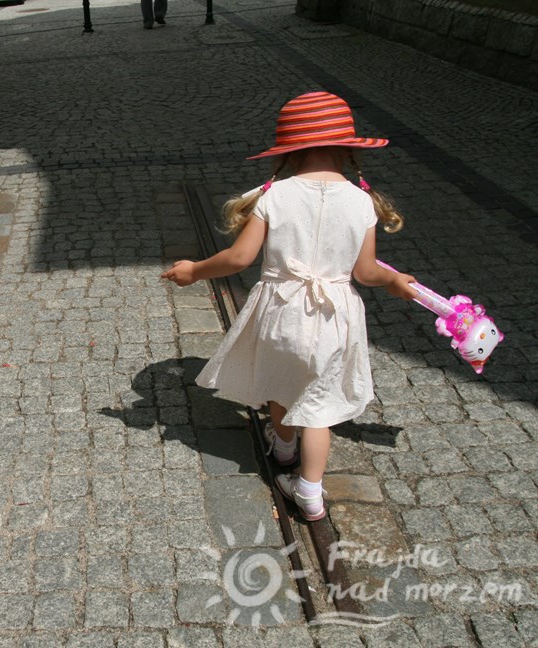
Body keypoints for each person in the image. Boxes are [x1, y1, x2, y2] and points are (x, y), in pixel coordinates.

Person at [161, 91, 417, 521]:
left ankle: (282, 448)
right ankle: (310, 492)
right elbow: (367, 272)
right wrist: (394, 280)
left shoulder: (274, 196)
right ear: (348, 150)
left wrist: (195, 270)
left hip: (281, 309)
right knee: (318, 404)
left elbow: (240, 259)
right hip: (335, 316)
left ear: (288, 153)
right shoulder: (361, 202)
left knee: (281, 383)